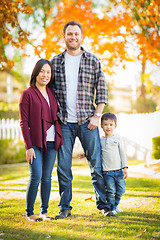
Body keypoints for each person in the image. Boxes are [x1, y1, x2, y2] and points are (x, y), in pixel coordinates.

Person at [51, 21, 112, 219]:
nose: (73, 37)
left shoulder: (93, 60)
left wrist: (97, 115)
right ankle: (65, 208)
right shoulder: (54, 62)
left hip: (88, 121)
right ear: (64, 36)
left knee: (96, 165)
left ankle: (103, 205)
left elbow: (102, 89)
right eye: (69, 34)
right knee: (63, 167)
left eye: (76, 34)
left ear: (81, 37)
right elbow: (49, 92)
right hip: (64, 123)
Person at [19, 59, 63, 221]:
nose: (45, 75)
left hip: (51, 142)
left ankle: (44, 212)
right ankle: (30, 213)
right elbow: (24, 122)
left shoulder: (52, 93)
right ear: (36, 73)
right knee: (36, 175)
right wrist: (28, 146)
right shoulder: (28, 94)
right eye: (42, 71)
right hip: (35, 142)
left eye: (48, 72)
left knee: (46, 177)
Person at [100, 112, 128, 215]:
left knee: (121, 190)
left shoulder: (118, 139)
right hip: (107, 172)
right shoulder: (100, 140)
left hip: (119, 171)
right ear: (101, 126)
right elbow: (94, 152)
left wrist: (125, 167)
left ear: (115, 126)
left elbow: (122, 154)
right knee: (111, 191)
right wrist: (84, 155)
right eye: (106, 124)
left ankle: (116, 205)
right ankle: (111, 208)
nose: (108, 127)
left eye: (111, 125)